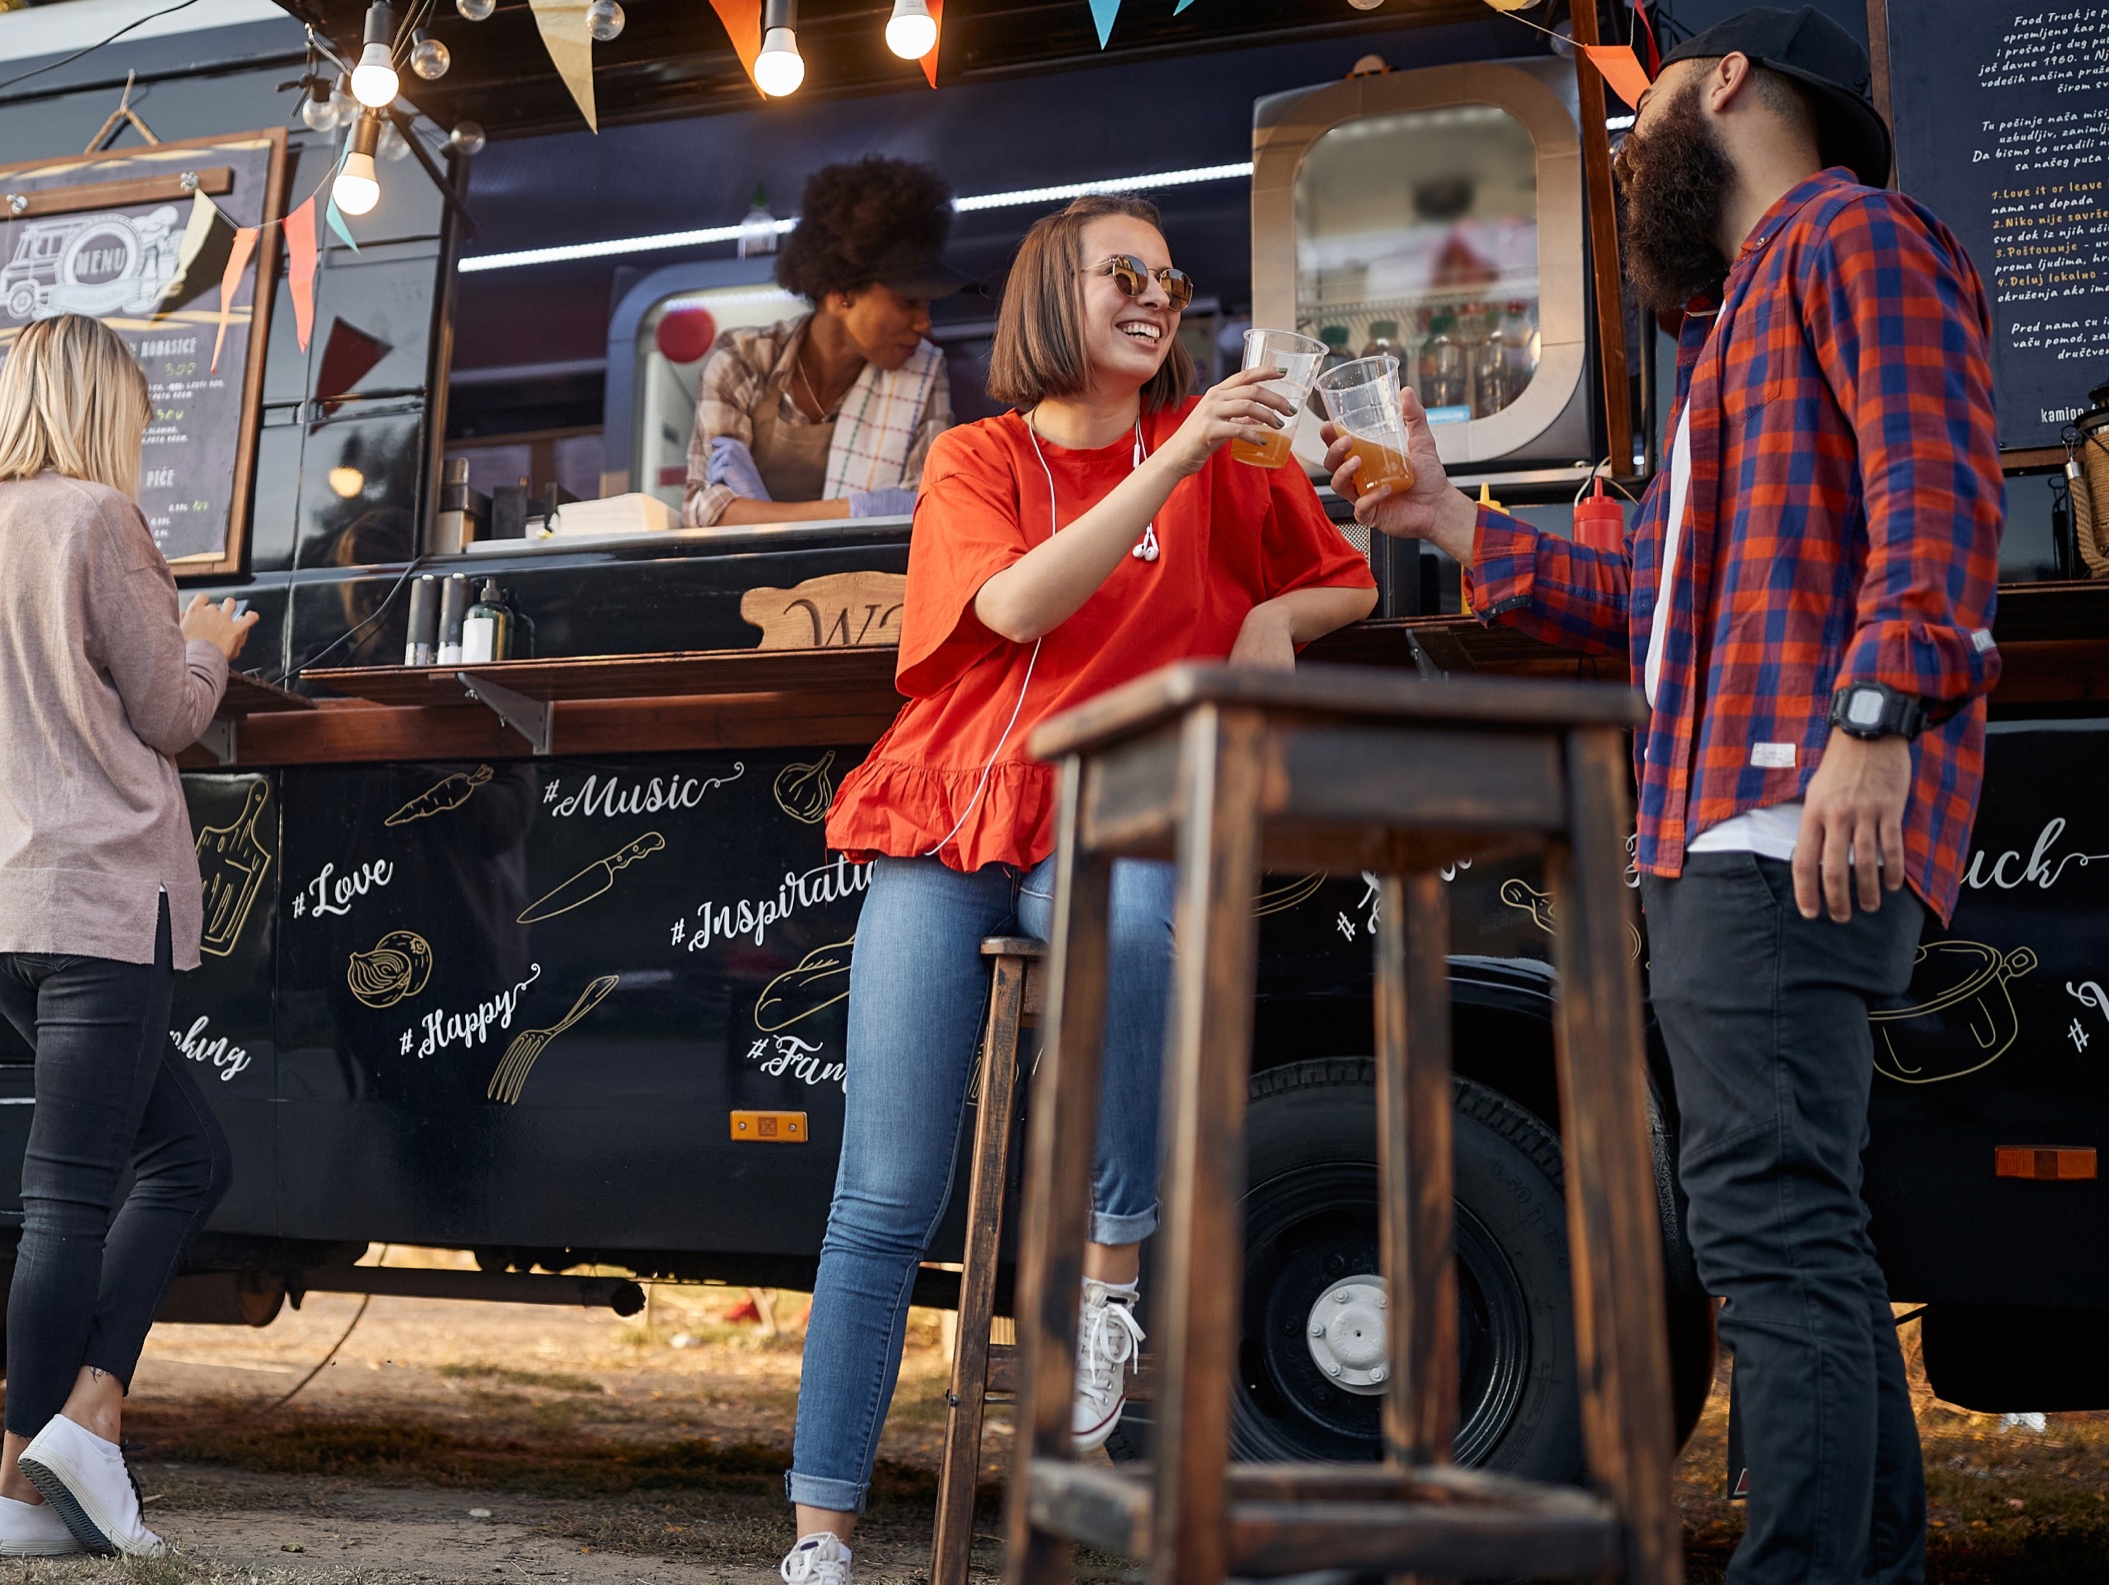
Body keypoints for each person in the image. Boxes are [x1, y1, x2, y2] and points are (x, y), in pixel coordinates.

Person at [1325, 11, 2000, 1580]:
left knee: (1768, 1229)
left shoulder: (1857, 241)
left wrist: (1878, 718)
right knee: (1791, 1225)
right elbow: (1652, 588)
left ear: (1732, 79)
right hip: (1724, 821)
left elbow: (1942, 490)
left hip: (1786, 809)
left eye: (1651, 101)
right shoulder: (1741, 321)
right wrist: (1453, 521)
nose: (1633, 144)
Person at [781, 195, 1378, 1585]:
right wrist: (1170, 467)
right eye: (1127, 274)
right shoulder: (974, 456)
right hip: (948, 814)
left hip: (1108, 812)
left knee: (1126, 925)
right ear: (1058, 292)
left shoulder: (1232, 454)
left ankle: (1113, 1269)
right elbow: (1014, 610)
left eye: (1169, 280)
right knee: (884, 1194)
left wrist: (1274, 612)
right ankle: (821, 1531)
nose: (1158, 297)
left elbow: (1341, 577)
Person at [0, 314, 256, 1560]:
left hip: (6, 910)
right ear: (97, 403)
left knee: (185, 1159)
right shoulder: (98, 519)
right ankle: (28, 1484)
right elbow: (170, 714)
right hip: (101, 904)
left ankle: (84, 1415)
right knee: (74, 1198)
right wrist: (213, 648)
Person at [683, 157, 962, 527]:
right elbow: (705, 510)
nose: (924, 323)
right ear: (842, 293)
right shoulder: (743, 359)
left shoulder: (925, 374)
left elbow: (925, 508)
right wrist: (863, 511)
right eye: (908, 301)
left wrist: (759, 515)